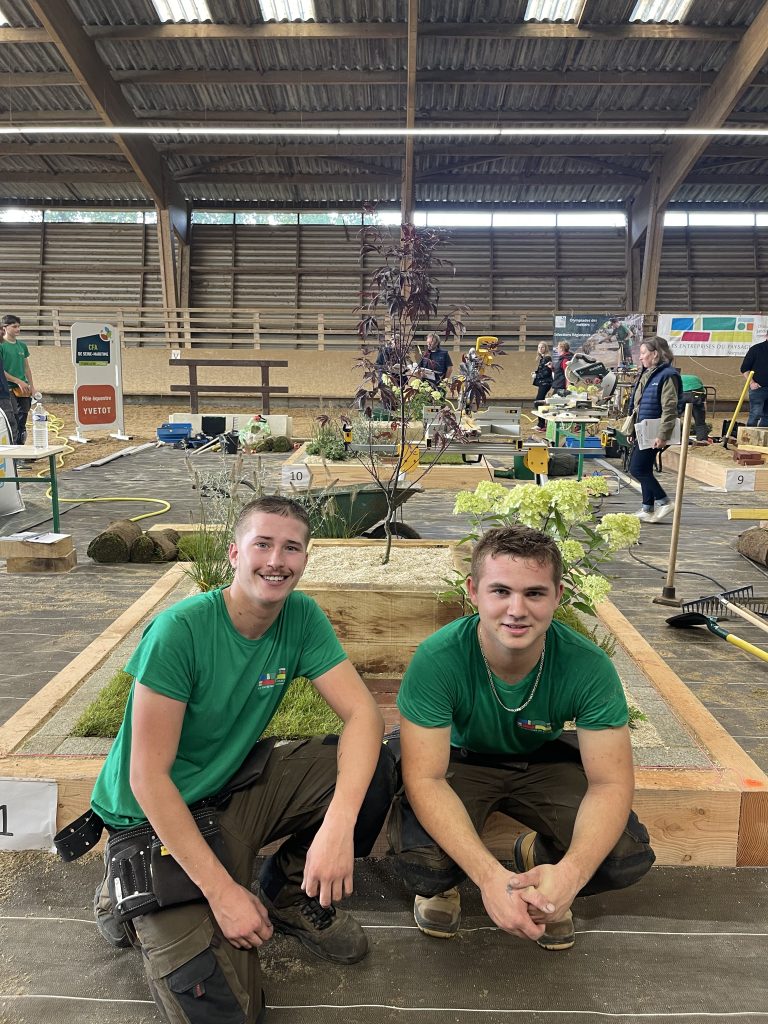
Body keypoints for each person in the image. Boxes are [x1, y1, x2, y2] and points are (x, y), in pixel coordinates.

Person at [89, 496, 396, 1023]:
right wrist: (224, 892)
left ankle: (287, 892)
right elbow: (148, 777)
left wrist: (337, 828)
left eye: (292, 547)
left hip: (231, 790)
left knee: (379, 767)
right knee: (227, 1011)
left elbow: (363, 717)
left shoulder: (299, 616)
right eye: (263, 544)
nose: (277, 560)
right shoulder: (179, 632)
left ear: (304, 558)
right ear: (234, 553)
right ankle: (127, 889)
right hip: (152, 819)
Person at [388, 524, 654, 951]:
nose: (516, 609)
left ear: (558, 595)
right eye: (500, 592)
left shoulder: (587, 666)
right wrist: (490, 879)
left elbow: (610, 783)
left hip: (539, 760)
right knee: (426, 866)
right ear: (473, 591)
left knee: (625, 857)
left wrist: (571, 875)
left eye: (533, 593)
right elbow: (426, 779)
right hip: (458, 759)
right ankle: (444, 886)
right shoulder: (438, 659)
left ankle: (541, 865)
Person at [626, 336, 681, 523]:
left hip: (654, 431)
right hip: (643, 429)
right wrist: (633, 431)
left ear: (655, 354)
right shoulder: (648, 373)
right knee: (645, 468)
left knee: (637, 468)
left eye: (643, 353)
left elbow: (670, 407)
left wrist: (663, 434)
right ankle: (647, 508)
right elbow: (638, 405)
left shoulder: (667, 375)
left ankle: (664, 501)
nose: (640, 358)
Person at [1, 314, 35, 444]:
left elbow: (26, 367)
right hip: (8, 389)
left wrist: (31, 385)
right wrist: (17, 381)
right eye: (14, 326)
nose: (18, 329)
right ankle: (13, 452)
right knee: (12, 419)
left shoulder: (22, 346)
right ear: (5, 327)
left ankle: (21, 449)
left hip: (23, 389)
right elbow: (1, 371)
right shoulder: (1, 346)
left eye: (19, 326)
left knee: (23, 419)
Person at [740, 332, 768, 427]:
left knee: (767, 417)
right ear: (766, 336)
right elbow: (744, 368)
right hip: (758, 388)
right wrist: (752, 383)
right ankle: (749, 438)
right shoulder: (756, 349)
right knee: (755, 414)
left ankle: (763, 439)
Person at [680, 373, 710, 444]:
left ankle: (677, 439)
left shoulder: (672, 379)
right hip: (698, 394)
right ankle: (702, 440)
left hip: (683, 394)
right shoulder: (696, 379)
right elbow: (703, 395)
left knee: (675, 419)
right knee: (700, 422)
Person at [0, 337, 19, 444]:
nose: (3, 332)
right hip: (2, 395)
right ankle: (13, 459)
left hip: (4, 393)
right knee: (10, 426)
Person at [531, 342, 553, 431]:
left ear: (545, 348)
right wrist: (536, 373)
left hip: (545, 383)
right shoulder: (543, 358)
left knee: (538, 402)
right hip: (543, 383)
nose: (540, 349)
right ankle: (541, 424)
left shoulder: (547, 358)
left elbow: (547, 372)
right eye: (539, 347)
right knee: (539, 402)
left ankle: (541, 424)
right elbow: (543, 370)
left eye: (542, 347)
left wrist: (537, 376)